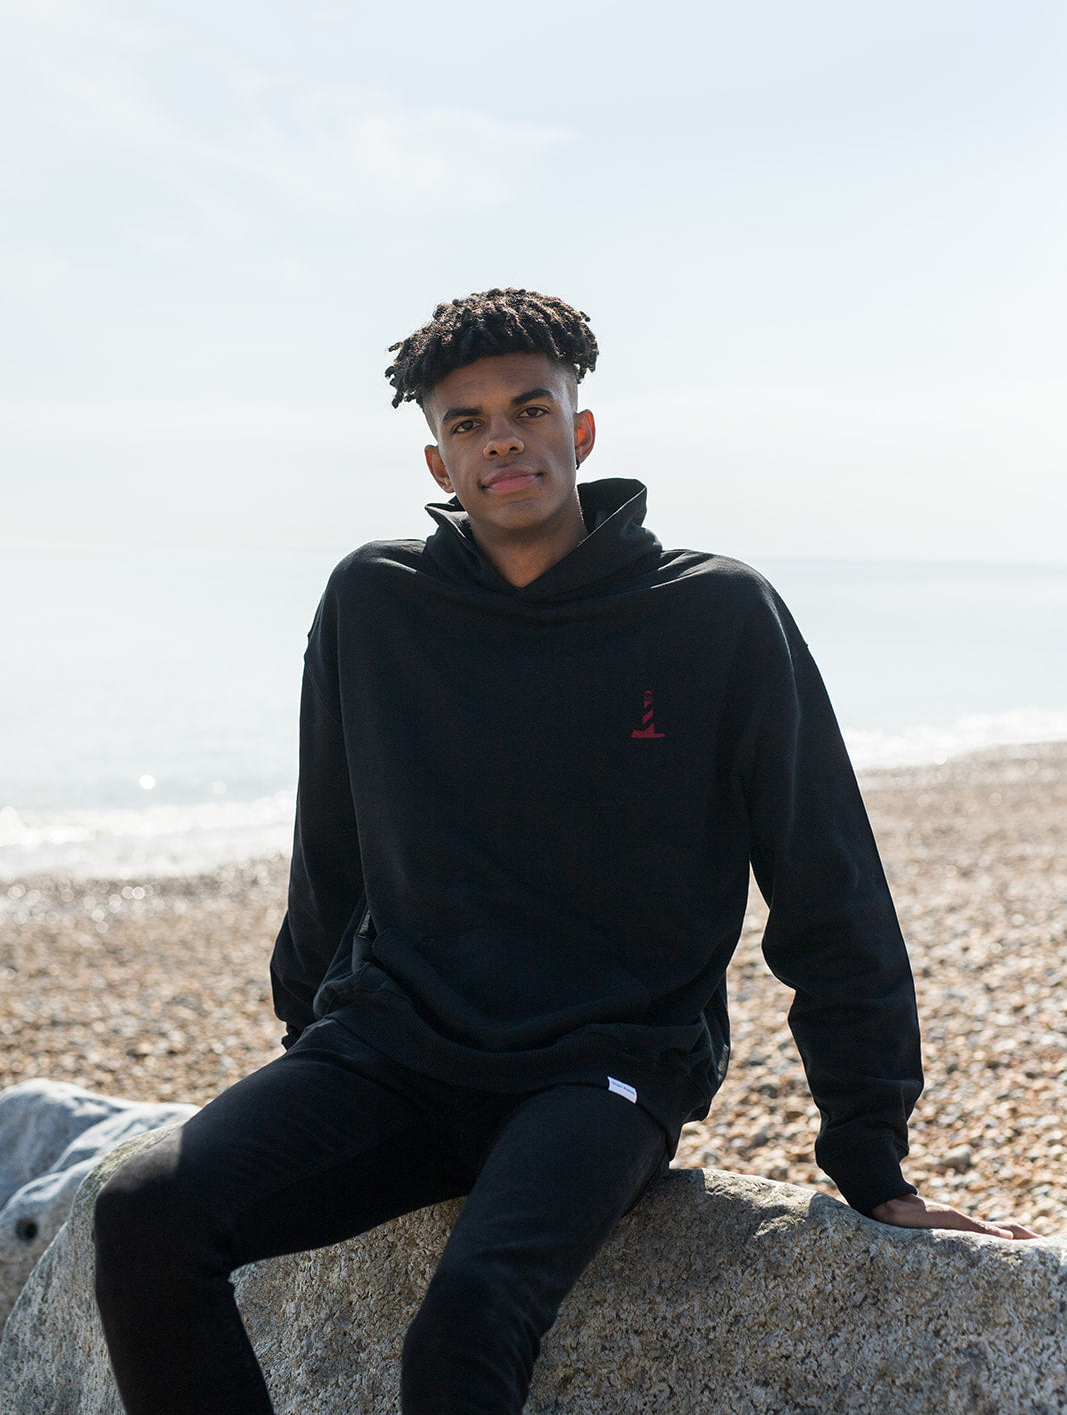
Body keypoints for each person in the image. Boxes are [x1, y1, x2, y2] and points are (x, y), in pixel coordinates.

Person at [93, 288, 1033, 1415]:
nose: (502, 438)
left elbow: (825, 883)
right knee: (143, 1211)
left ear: (577, 431)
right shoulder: (372, 604)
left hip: (602, 1067)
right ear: (438, 462)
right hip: (393, 1052)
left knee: (463, 1328)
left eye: (529, 410)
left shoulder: (715, 615)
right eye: (468, 421)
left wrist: (868, 1154)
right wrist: (311, 1052)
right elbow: (330, 854)